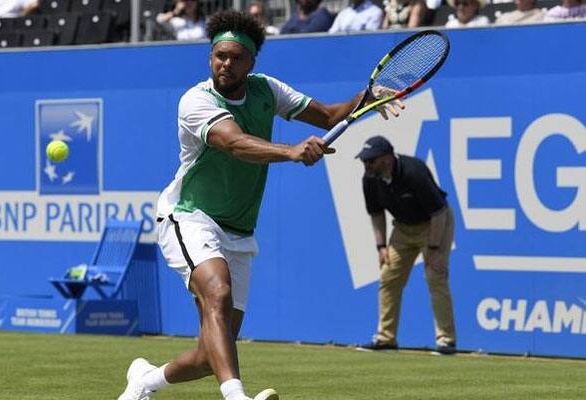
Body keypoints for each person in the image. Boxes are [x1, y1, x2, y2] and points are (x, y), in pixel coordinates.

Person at [117, 10, 404, 400]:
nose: (226, 64)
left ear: (252, 62)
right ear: (210, 57)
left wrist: (364, 99)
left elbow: (330, 116)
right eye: (219, 56)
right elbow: (234, 143)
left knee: (211, 354)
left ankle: (144, 381)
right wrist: (291, 151)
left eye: (236, 58)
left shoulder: (267, 90)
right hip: (190, 217)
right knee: (217, 292)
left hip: (238, 229)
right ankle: (236, 397)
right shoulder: (195, 101)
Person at [355, 136, 457, 355]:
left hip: (434, 224)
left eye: (371, 160)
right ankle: (386, 338)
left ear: (387, 158)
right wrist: (381, 246)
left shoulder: (414, 171)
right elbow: (376, 213)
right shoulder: (370, 178)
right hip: (403, 229)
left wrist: (433, 249)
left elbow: (438, 213)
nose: (367, 165)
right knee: (388, 277)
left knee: (435, 276)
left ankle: (446, 341)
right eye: (365, 161)